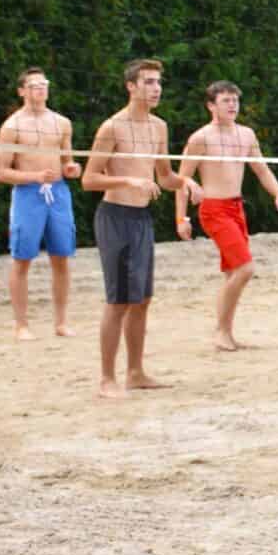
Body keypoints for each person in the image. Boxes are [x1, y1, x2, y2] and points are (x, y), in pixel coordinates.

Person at [82, 58, 203, 398]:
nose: (156, 88)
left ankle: (135, 372)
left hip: (141, 219)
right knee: (118, 300)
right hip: (115, 216)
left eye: (158, 82)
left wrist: (186, 183)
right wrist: (130, 179)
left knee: (143, 299)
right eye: (148, 82)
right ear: (131, 86)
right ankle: (107, 378)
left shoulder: (158, 127)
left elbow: (164, 177)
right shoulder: (112, 127)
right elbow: (90, 179)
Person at [175, 81, 278, 351]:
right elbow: (181, 179)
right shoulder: (201, 138)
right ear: (211, 105)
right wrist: (181, 219)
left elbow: (261, 170)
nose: (232, 105)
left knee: (232, 273)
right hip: (213, 210)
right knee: (245, 269)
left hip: (236, 208)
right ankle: (219, 331)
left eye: (235, 100)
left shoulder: (247, 135)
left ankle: (226, 332)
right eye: (226, 100)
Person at [0, 67, 82, 341]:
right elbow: (2, 172)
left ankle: (61, 322)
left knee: (62, 257)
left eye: (43, 84)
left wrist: (71, 168)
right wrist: (33, 176)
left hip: (58, 193)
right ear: (22, 90)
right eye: (33, 85)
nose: (40, 89)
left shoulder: (61, 123)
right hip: (28, 194)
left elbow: (67, 160)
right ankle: (21, 325)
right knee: (22, 259)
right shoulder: (12, 126)